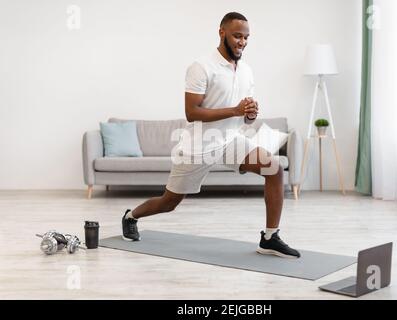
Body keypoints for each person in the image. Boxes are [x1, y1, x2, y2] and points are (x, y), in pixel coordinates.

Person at [121, 12, 300, 259]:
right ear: (222, 32)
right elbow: (191, 112)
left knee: (275, 168)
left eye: (247, 37)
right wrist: (235, 110)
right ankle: (131, 216)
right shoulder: (201, 67)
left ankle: (270, 238)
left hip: (230, 140)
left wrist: (248, 114)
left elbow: (245, 117)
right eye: (238, 36)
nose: (242, 42)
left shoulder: (246, 70)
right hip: (199, 145)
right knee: (169, 202)